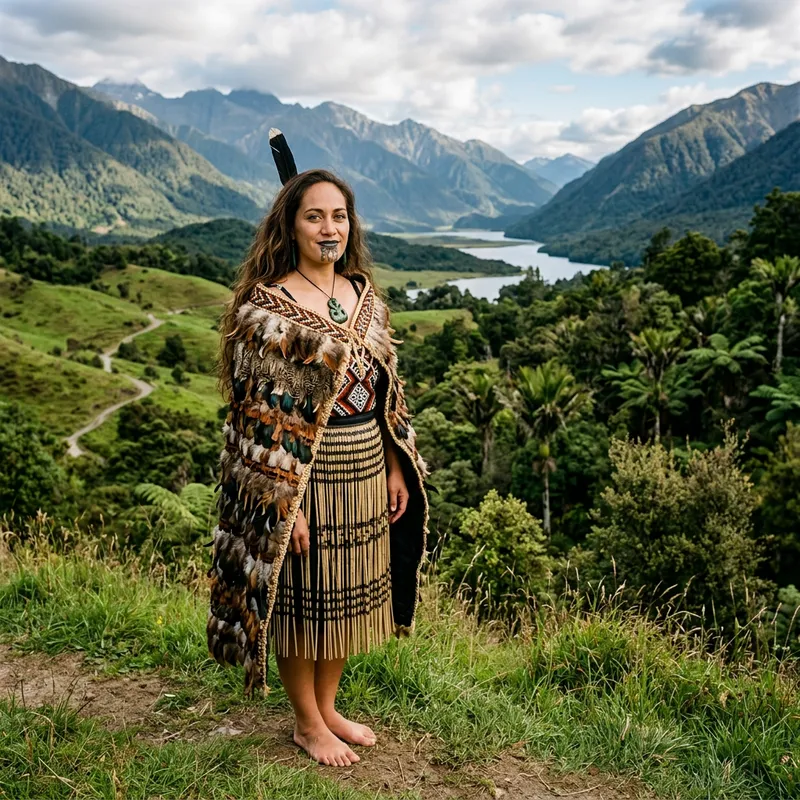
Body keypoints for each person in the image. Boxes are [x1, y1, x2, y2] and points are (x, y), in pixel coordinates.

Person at [207, 129, 430, 767]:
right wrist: (288, 505)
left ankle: (329, 706)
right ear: (292, 225)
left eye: (339, 216)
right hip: (304, 476)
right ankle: (306, 721)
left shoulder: (365, 298)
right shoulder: (267, 310)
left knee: (350, 591)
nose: (328, 228)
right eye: (314, 216)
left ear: (349, 226)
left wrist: (394, 466)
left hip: (365, 467)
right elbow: (255, 423)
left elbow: (388, 392)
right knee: (305, 597)